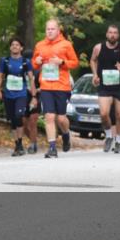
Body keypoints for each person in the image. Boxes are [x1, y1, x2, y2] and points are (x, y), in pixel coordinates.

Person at [31, 18, 79, 158]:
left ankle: (66, 134)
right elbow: (33, 64)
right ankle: (52, 147)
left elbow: (75, 62)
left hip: (62, 86)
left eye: (52, 29)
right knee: (49, 116)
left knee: (61, 119)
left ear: (58, 31)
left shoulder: (66, 45)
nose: (50, 31)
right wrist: (36, 62)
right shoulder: (40, 45)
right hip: (46, 85)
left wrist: (62, 62)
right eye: (48, 29)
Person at [89, 25, 120, 154]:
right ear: (106, 34)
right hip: (104, 85)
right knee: (104, 114)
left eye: (115, 33)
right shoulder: (98, 48)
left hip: (119, 86)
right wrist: (95, 75)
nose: (112, 35)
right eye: (110, 32)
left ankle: (118, 142)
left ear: (118, 35)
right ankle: (109, 136)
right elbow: (92, 60)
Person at [0, 37, 36, 157]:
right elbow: (0, 76)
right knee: (13, 120)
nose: (14, 46)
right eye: (13, 44)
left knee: (19, 116)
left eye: (17, 45)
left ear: (21, 48)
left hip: (21, 94)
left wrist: (33, 95)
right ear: (10, 47)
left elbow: (31, 78)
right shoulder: (5, 61)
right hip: (8, 94)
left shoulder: (25, 62)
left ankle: (20, 144)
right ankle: (17, 145)